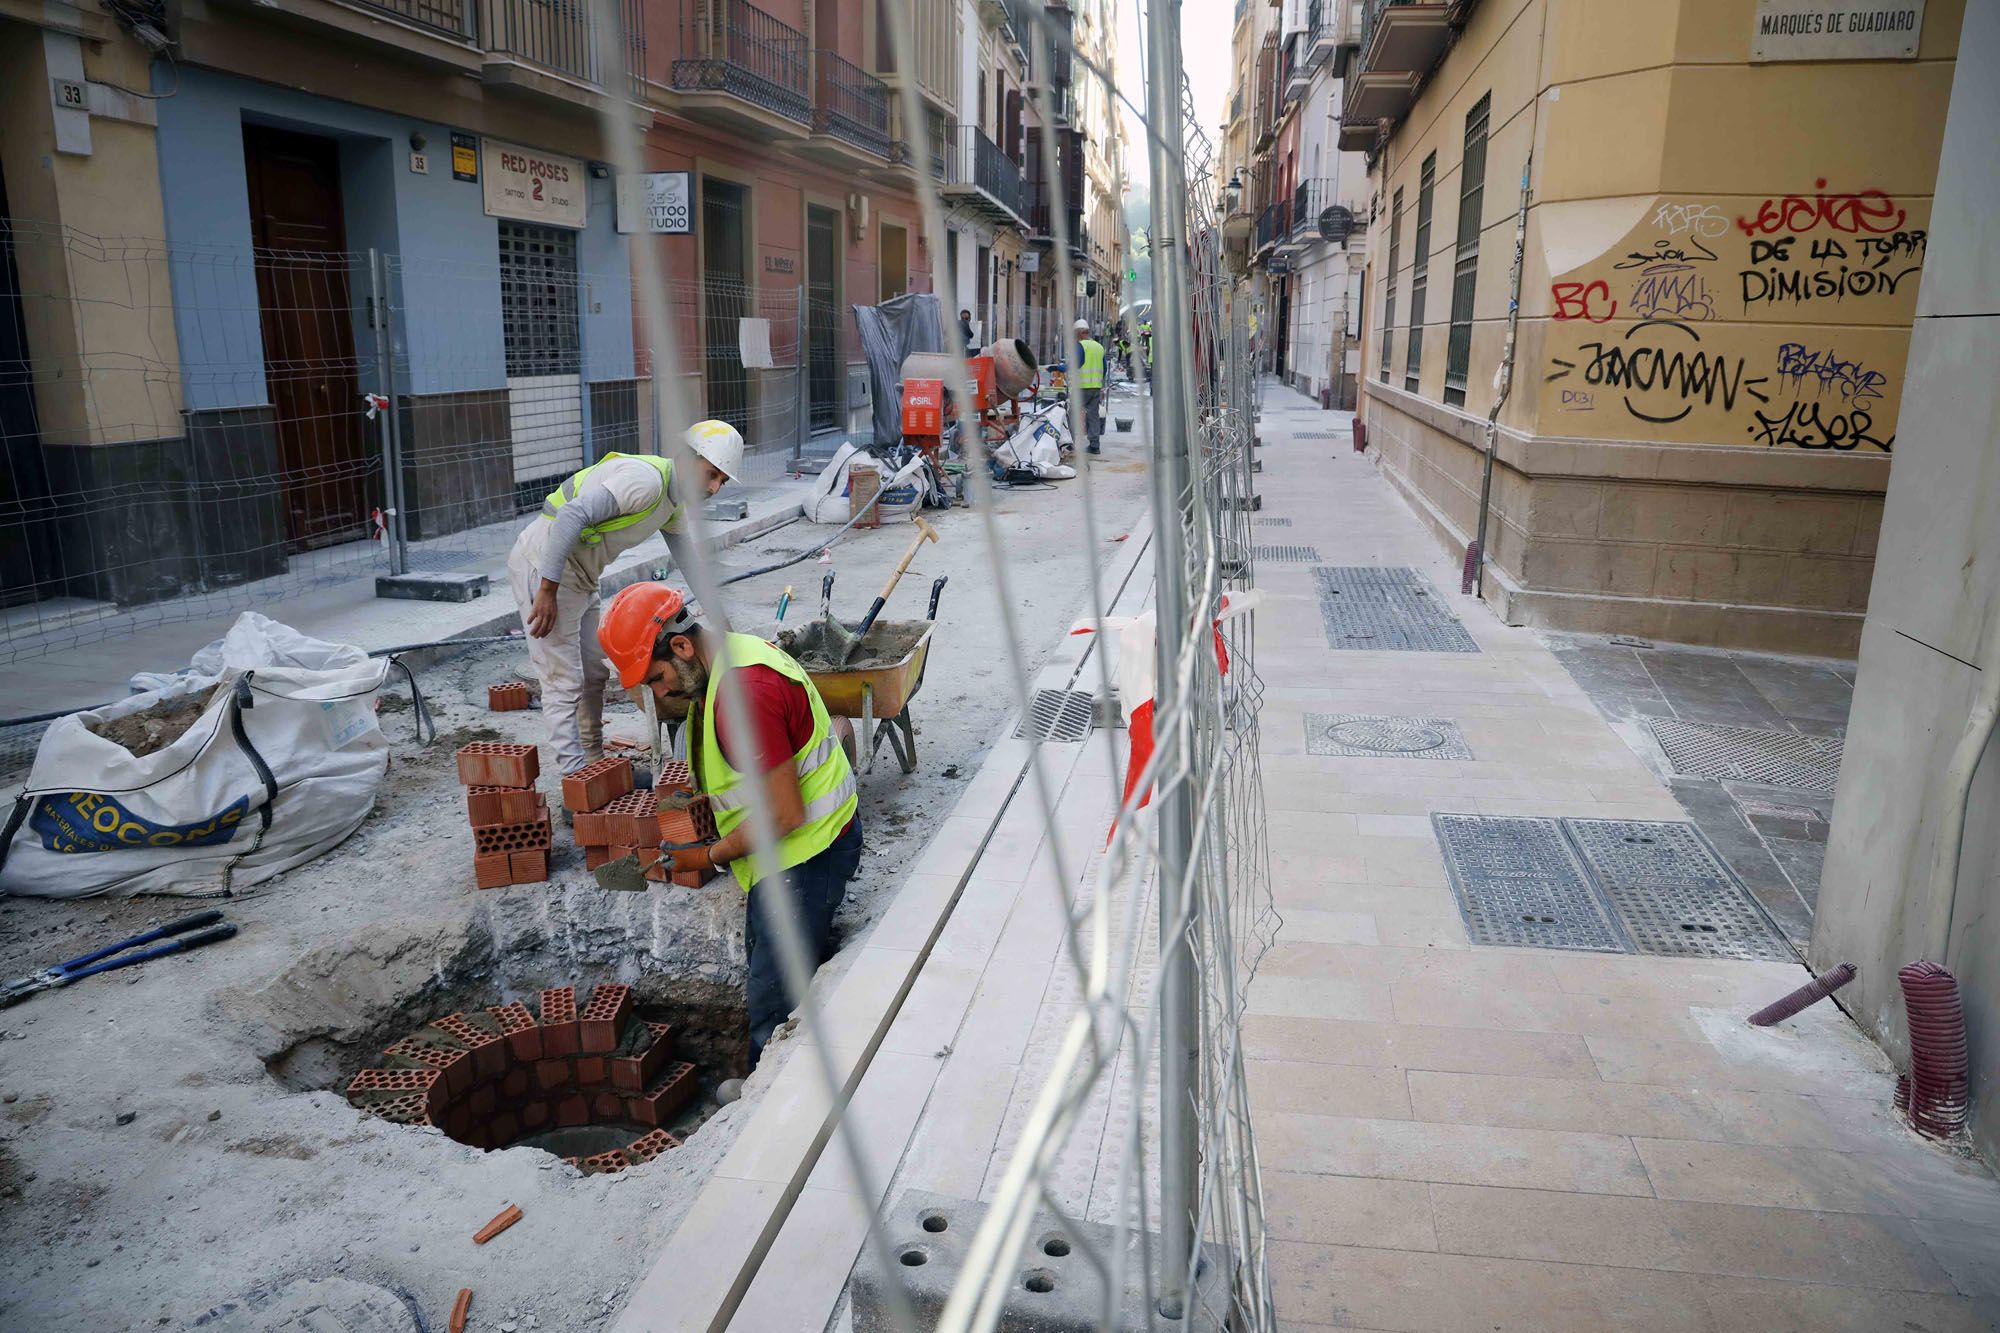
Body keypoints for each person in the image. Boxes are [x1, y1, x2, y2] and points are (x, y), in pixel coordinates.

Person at [599, 583, 862, 1068]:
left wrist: (707, 856)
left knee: (775, 1004)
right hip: (786, 854)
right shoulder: (727, 658)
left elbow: (784, 814)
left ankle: (769, 1101)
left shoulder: (744, 695)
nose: (661, 694)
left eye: (656, 680)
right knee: (768, 970)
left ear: (681, 646)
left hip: (808, 855)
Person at [506, 422, 742, 776]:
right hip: (544, 564)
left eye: (721, 481)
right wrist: (547, 589)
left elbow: (689, 562)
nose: (713, 487)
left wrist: (723, 625)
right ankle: (575, 781)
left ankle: (593, 761)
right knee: (562, 679)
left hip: (581, 575)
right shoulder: (646, 482)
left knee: (594, 673)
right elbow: (572, 515)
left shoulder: (671, 503)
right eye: (711, 474)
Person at [1071, 317, 1106, 454]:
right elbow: (1105, 368)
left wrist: (1061, 368)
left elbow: (1077, 363)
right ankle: (1094, 446)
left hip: (1081, 387)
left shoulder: (1080, 345)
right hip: (1095, 387)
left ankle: (1069, 443)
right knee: (1093, 416)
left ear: (1079, 333)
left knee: (1073, 414)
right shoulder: (1099, 346)